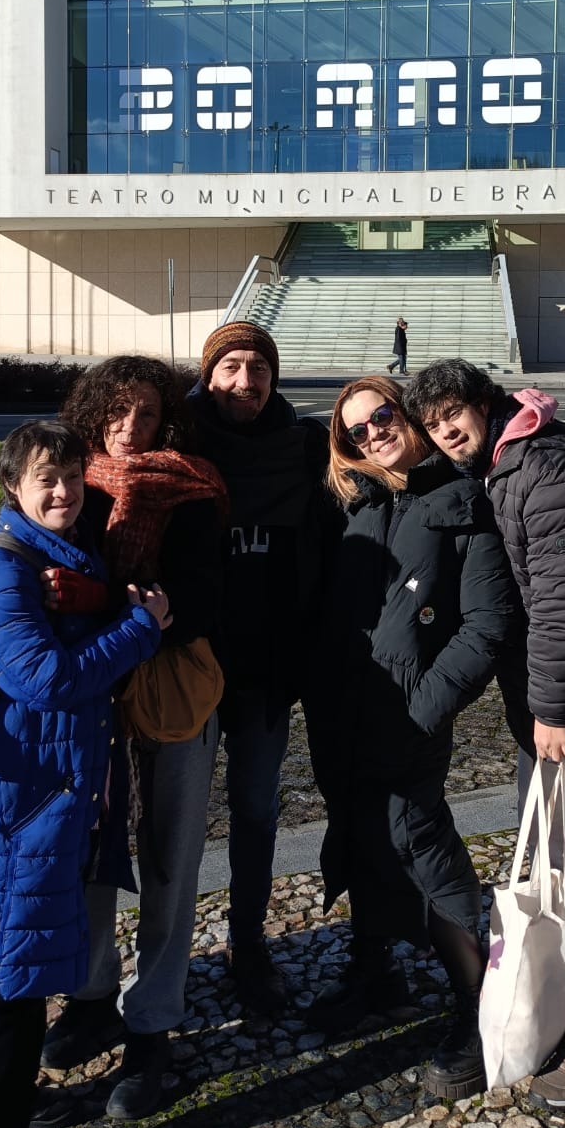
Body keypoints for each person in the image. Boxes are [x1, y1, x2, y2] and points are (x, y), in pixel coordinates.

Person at [405, 358, 565, 1112]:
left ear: (486, 404)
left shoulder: (542, 472)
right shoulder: (502, 467)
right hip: (557, 712)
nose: (446, 428)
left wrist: (550, 711)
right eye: (433, 421)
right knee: (562, 861)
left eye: (455, 411)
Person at [0, 420, 169, 1128]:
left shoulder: (58, 555)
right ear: (14, 490)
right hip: (7, 812)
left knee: (18, 987)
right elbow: (47, 682)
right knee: (0, 995)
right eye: (45, 480)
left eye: (70, 475)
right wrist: (140, 627)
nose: (62, 491)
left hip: (38, 808)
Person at [303, 375, 518, 1101]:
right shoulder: (361, 505)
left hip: (407, 717)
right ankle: (376, 976)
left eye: (382, 416)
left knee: (419, 841)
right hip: (345, 713)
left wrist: (423, 709)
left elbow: (486, 624)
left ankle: (480, 1007)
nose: (373, 434)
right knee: (360, 834)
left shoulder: (461, 502)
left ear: (410, 414)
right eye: (356, 431)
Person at [37, 356, 228, 1120]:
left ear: (166, 419)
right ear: (90, 413)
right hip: (87, 697)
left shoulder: (196, 483)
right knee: (87, 853)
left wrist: (106, 604)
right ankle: (88, 997)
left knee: (169, 861)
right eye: (116, 409)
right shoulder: (64, 482)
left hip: (174, 691)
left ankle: (152, 1022)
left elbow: (209, 595)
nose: (130, 425)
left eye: (146, 411)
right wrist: (127, 606)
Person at [185, 321, 334, 1014]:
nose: (245, 382)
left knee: (253, 812)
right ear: (209, 373)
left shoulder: (302, 448)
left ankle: (248, 943)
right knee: (174, 821)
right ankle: (163, 955)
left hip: (267, 669)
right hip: (185, 666)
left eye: (257, 368)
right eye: (231, 367)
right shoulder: (178, 443)